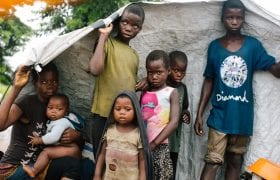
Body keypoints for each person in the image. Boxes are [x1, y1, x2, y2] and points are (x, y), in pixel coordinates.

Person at [194, 0, 280, 180]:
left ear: (244, 19)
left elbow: (275, 70)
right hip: (219, 116)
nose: (234, 21)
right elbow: (209, 80)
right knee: (212, 161)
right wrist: (199, 114)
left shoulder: (253, 46)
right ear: (222, 19)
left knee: (235, 160)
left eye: (238, 18)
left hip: (242, 117)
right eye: (230, 17)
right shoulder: (215, 47)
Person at [0, 63, 81, 180]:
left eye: (54, 82)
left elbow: (74, 146)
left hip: (38, 167)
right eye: (43, 82)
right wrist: (16, 88)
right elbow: (1, 125)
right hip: (14, 167)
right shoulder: (27, 102)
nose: (50, 86)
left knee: (76, 164)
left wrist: (76, 136)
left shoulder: (58, 108)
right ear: (35, 83)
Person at [88, 3, 145, 158]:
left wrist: (143, 84)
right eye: (124, 22)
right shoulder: (107, 43)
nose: (128, 27)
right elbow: (95, 69)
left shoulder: (134, 55)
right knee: (100, 160)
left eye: (135, 25)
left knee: (119, 161)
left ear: (139, 29)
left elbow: (128, 83)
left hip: (125, 119)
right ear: (117, 22)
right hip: (102, 115)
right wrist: (103, 37)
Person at [93, 91, 153, 180]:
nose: (122, 112)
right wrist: (97, 175)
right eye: (118, 109)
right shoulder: (109, 130)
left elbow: (142, 160)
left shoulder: (137, 134)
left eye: (127, 109)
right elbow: (102, 154)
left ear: (135, 111)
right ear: (112, 111)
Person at [140, 50, 180, 179]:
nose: (154, 77)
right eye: (150, 72)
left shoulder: (171, 92)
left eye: (159, 72)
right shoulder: (145, 92)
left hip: (160, 146)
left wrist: (154, 144)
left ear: (168, 71)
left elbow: (174, 123)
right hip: (142, 145)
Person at [22, 94, 81, 178]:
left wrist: (39, 140)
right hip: (67, 149)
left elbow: (54, 137)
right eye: (50, 107)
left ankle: (34, 170)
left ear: (66, 111)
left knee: (46, 152)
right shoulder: (53, 121)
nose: (54, 111)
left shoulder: (62, 122)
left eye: (59, 109)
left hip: (71, 149)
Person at [167, 50, 191, 178]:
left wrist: (186, 114)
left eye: (183, 71)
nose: (179, 74)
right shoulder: (160, 85)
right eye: (176, 70)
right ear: (168, 68)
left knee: (171, 171)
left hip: (174, 142)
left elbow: (185, 108)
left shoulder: (182, 88)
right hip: (159, 139)